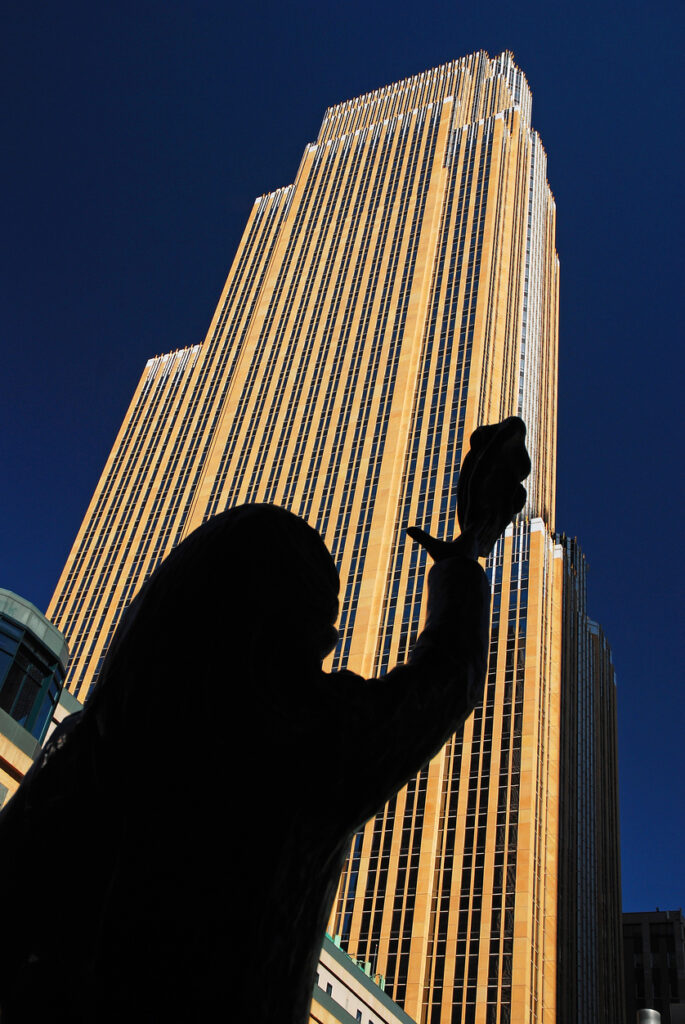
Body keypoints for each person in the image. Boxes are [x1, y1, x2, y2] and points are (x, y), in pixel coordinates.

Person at [0, 417, 529, 1023]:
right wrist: (467, 551)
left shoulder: (85, 759)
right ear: (262, 624)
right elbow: (444, 681)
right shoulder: (298, 749)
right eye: (317, 622)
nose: (330, 643)